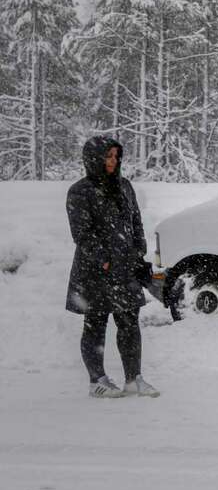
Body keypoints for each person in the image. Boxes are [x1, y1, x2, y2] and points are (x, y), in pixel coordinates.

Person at [65, 136, 159, 398]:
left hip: (125, 267)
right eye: (108, 156)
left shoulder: (125, 187)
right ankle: (97, 380)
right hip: (95, 271)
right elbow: (82, 233)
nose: (113, 161)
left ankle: (134, 378)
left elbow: (136, 222)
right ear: (94, 158)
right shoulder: (80, 191)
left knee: (130, 322)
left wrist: (138, 250)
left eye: (116, 156)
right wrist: (104, 258)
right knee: (95, 323)